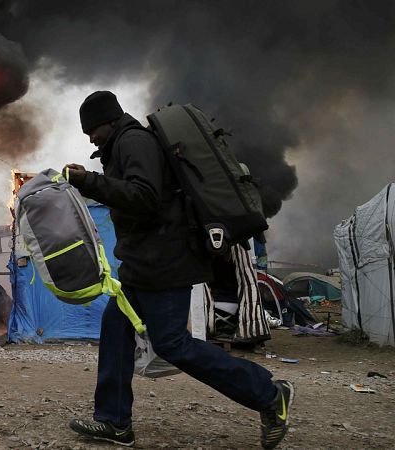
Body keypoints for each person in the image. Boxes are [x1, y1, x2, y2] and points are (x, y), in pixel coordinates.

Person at [63, 91, 293, 449]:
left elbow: (145, 197)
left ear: (108, 121)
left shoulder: (134, 142)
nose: (90, 138)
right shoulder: (121, 145)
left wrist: (88, 181)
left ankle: (269, 394)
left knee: (174, 345)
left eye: (92, 130)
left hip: (164, 264)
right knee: (115, 328)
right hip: (142, 265)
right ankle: (114, 422)